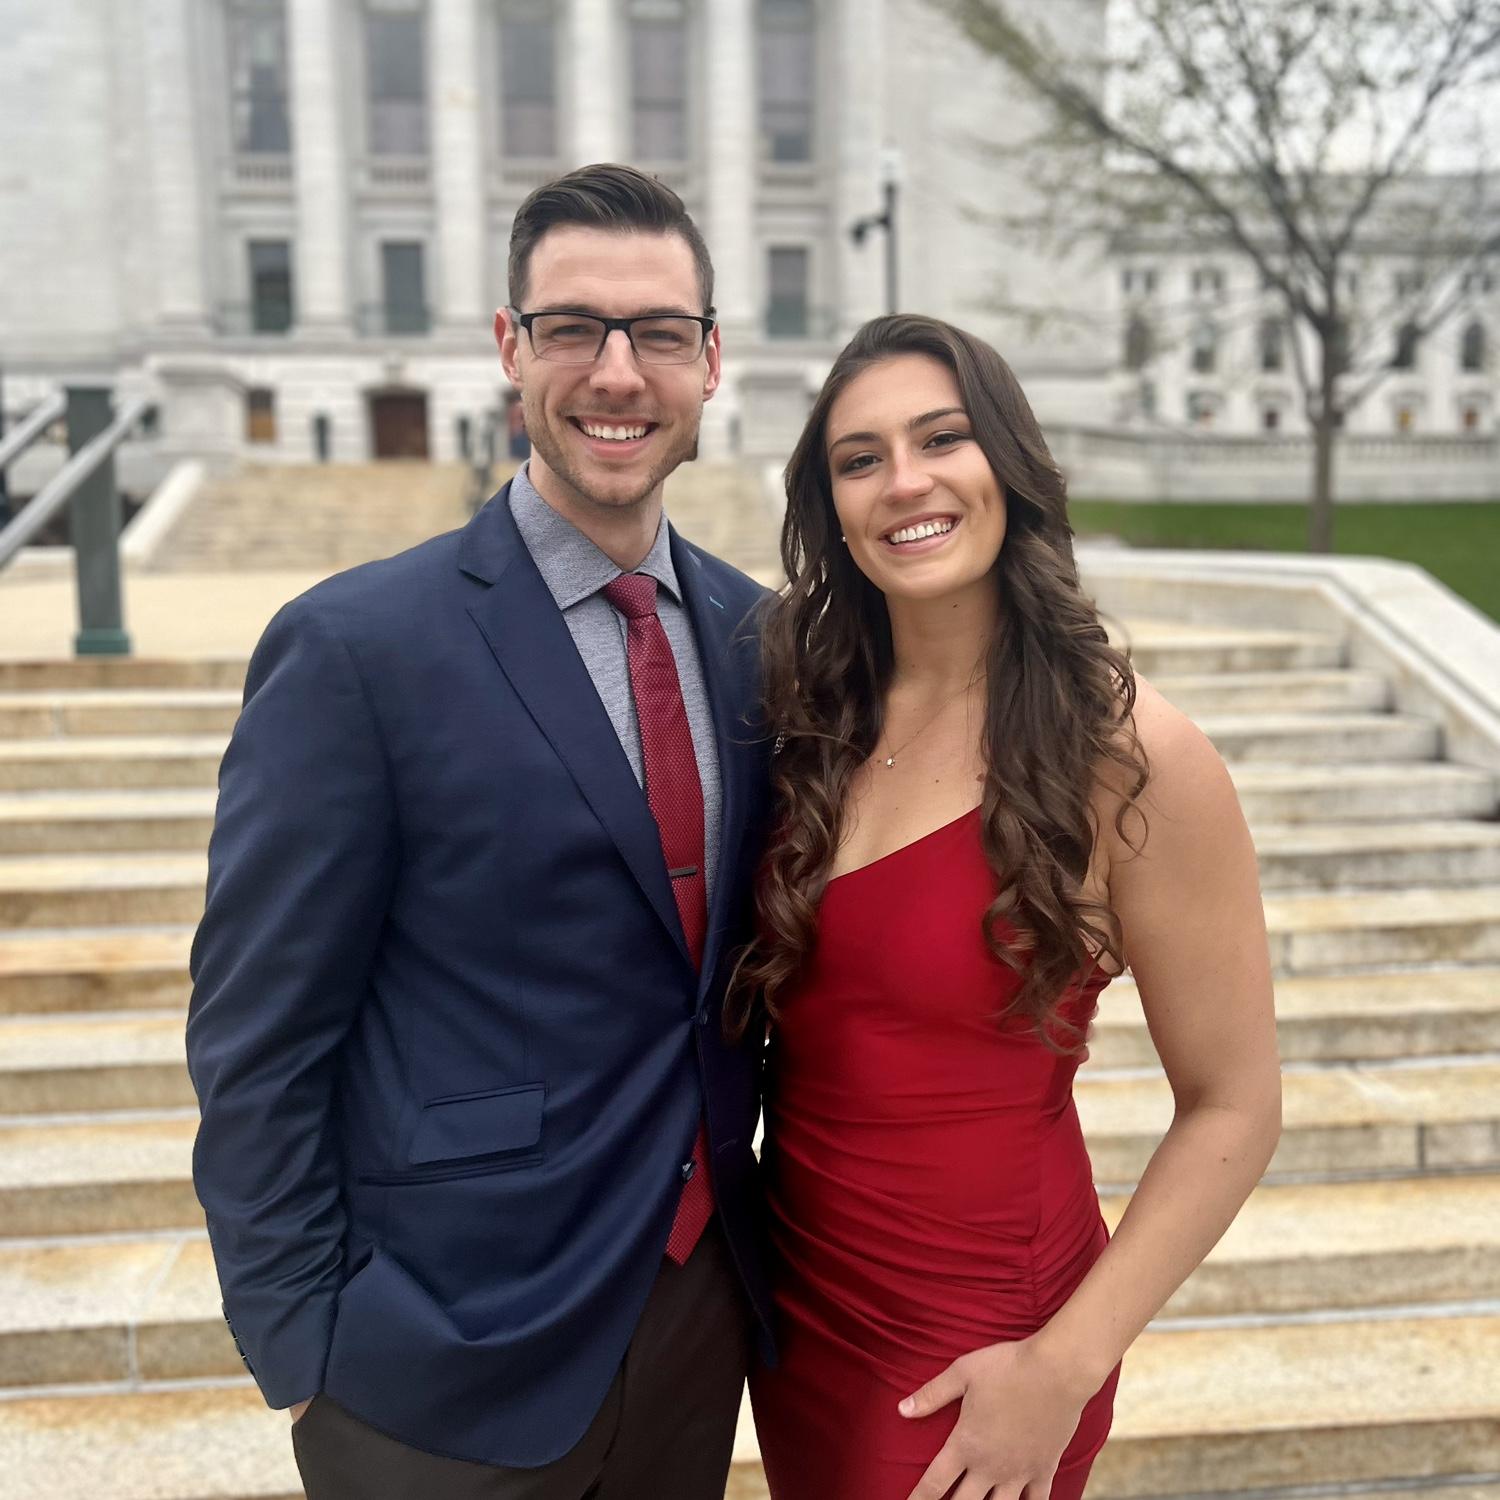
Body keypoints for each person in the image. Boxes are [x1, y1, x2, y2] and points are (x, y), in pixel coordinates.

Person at [186, 163, 775, 1500]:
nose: (617, 372)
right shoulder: (355, 648)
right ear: (510, 348)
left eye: (659, 334)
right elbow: (259, 1033)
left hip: (695, 1324)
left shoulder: (761, 639)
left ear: (710, 362)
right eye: (574, 327)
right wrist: (303, 1344)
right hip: (434, 1365)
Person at [736, 314, 1282, 1500]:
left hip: (985, 1343)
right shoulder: (810, 715)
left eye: (944, 438)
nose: (906, 482)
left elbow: (1236, 1104)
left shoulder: (1132, 758)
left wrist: (1066, 1365)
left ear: (1012, 465)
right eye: (860, 457)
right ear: (829, 501)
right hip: (802, 1316)